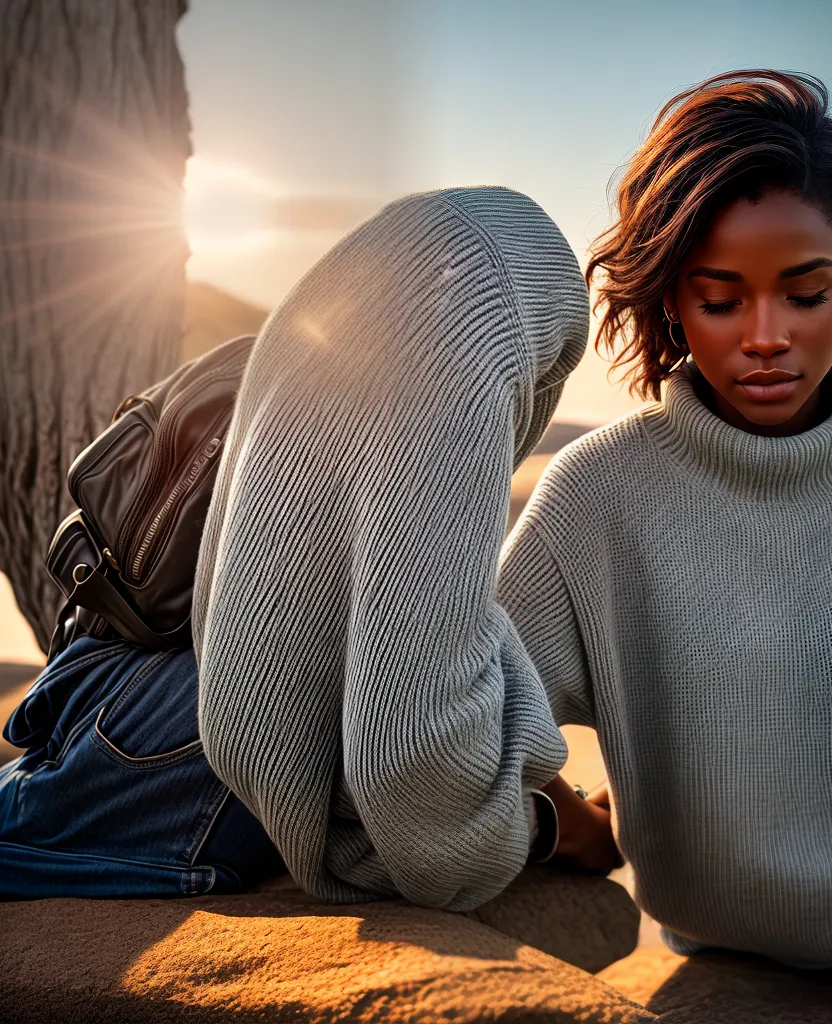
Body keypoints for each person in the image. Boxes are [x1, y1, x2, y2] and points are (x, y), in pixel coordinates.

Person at [495, 69, 832, 1024]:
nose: (768, 337)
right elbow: (476, 726)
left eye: (806, 291)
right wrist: (569, 828)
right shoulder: (593, 499)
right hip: (700, 972)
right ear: (670, 301)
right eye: (721, 299)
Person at [0, 186, 616, 903]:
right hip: (172, 746)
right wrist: (551, 829)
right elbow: (419, 787)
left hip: (104, 684)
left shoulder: (374, 290)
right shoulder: (465, 336)